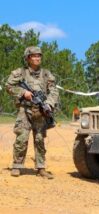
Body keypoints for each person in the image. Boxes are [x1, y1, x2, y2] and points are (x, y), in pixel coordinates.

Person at [5, 46, 59, 179]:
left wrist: (49, 103)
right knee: (21, 138)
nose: (37, 58)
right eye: (34, 56)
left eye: (39, 56)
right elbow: (9, 86)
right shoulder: (20, 73)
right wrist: (24, 92)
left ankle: (41, 168)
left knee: (40, 139)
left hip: (40, 111)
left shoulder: (46, 74)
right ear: (28, 58)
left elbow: (54, 91)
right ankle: (17, 166)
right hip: (25, 109)